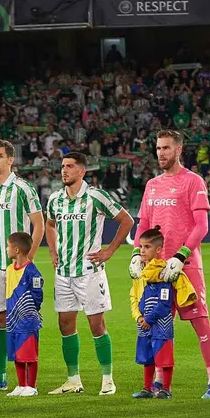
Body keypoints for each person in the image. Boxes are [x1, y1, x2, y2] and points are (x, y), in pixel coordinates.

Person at [131, 130, 210, 399]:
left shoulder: (193, 182)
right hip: (156, 269)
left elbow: (202, 226)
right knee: (158, 323)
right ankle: (159, 385)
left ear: (179, 149)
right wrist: (138, 254)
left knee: (200, 323)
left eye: (166, 148)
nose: (161, 153)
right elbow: (144, 225)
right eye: (158, 148)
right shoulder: (152, 185)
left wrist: (181, 255)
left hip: (186, 265)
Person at [45, 152, 134, 397]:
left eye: (70, 166)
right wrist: (52, 251)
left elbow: (126, 220)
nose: (64, 170)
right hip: (63, 273)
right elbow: (49, 224)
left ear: (82, 171)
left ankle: (107, 379)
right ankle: (73, 379)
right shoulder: (55, 199)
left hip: (89, 272)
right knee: (65, 325)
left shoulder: (96, 196)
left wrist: (110, 250)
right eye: (63, 166)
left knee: (97, 325)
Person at [0, 140, 45, 392]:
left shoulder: (23, 188)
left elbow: (39, 224)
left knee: (21, 318)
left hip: (17, 268)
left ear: (10, 160)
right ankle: (0, 376)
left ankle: (25, 380)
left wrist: (29, 258)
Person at [130, 226, 197, 399]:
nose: (142, 251)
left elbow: (164, 303)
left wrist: (148, 319)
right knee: (147, 357)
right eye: (141, 247)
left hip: (161, 323)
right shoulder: (139, 272)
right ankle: (147, 388)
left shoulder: (163, 272)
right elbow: (133, 296)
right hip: (143, 322)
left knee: (164, 357)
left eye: (147, 247)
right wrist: (138, 316)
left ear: (158, 249)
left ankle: (166, 389)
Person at [5, 232, 44, 397]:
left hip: (27, 320)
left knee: (29, 355)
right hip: (12, 319)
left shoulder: (32, 271)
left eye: (8, 246)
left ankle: (31, 386)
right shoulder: (9, 269)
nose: (7, 250)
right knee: (17, 354)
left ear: (17, 249)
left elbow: (38, 295)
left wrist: (31, 311)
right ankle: (21, 385)